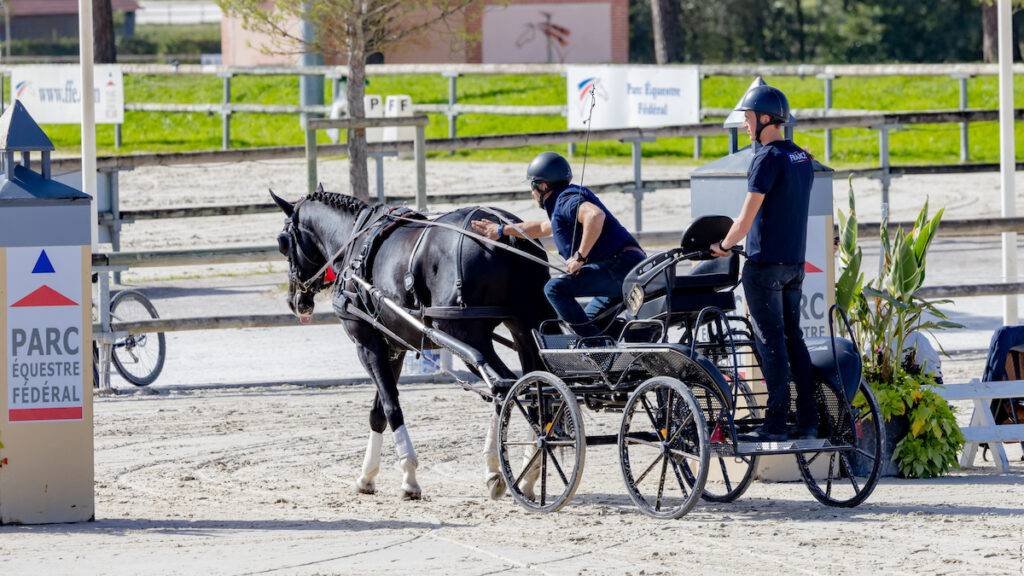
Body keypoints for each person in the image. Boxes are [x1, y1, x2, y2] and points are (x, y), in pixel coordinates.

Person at [710, 84, 816, 442]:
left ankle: (775, 421)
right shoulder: (802, 158)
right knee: (794, 340)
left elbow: (744, 220)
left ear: (765, 119)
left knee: (770, 343)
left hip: (765, 267)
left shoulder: (766, 159)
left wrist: (723, 245)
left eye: (748, 118)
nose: (744, 126)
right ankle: (808, 417)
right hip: (795, 266)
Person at [471, 152, 645, 337]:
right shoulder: (561, 204)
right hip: (624, 268)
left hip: (621, 267)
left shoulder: (565, 200)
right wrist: (501, 230)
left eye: (533, 186)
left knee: (554, 289)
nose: (532, 193)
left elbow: (595, 216)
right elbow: (541, 228)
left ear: (543, 186)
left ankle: (594, 345)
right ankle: (626, 341)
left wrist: (580, 255)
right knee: (588, 320)